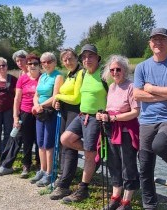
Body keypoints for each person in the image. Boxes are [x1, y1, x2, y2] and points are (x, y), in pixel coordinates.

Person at [133, 28, 167, 209]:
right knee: (145, 166)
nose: (158, 43)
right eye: (154, 40)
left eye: (162, 39)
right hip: (147, 120)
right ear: (150, 44)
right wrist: (166, 93)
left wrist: (150, 87)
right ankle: (150, 205)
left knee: (160, 145)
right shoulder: (141, 67)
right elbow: (137, 95)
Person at [60, 44, 107, 203]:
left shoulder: (105, 74)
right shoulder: (84, 73)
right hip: (82, 116)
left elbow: (116, 92)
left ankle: (82, 189)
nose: (87, 59)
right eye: (84, 57)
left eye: (91, 56)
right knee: (66, 139)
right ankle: (93, 154)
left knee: (88, 154)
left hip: (96, 118)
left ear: (97, 57)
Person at [96, 55, 140, 210]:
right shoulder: (112, 87)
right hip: (111, 130)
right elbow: (110, 109)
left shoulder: (131, 87)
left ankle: (126, 202)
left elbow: (135, 112)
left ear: (125, 70)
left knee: (127, 165)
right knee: (113, 163)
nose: (115, 72)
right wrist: (102, 115)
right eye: (112, 69)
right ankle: (115, 197)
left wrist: (113, 118)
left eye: (118, 69)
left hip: (126, 131)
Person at [0, 54, 41, 177]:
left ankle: (38, 164)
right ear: (27, 65)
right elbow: (17, 99)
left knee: (38, 139)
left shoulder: (43, 78)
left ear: (39, 65)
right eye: (30, 64)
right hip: (24, 112)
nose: (32, 66)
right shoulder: (22, 79)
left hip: (40, 112)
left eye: (35, 63)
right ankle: (16, 164)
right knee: (17, 137)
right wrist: (16, 117)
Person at [49, 48, 83, 200]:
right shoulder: (69, 74)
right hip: (65, 112)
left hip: (75, 111)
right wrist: (58, 101)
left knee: (69, 146)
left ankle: (64, 185)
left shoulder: (81, 73)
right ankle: (63, 176)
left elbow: (76, 98)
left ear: (77, 58)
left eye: (70, 58)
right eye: (65, 60)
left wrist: (58, 96)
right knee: (62, 145)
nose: (68, 62)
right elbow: (66, 95)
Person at [30, 52, 63, 187]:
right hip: (39, 113)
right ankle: (42, 170)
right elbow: (36, 94)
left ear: (55, 62)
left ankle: (50, 173)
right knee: (40, 142)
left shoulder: (58, 76)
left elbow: (55, 95)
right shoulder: (42, 76)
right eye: (43, 62)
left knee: (49, 144)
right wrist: (36, 105)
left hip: (50, 113)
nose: (46, 64)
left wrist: (41, 106)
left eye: (49, 61)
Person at [0, 57, 18, 160]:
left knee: (8, 131)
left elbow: (17, 95)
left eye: (3, 65)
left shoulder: (13, 79)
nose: (1, 67)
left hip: (9, 109)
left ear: (7, 66)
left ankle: (6, 151)